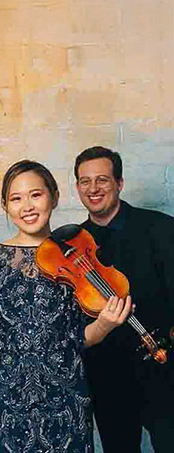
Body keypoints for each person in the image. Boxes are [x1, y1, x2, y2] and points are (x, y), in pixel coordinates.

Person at [0, 160, 130, 452]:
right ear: (5, 205)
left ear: (54, 197)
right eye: (16, 198)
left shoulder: (78, 258)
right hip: (10, 405)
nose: (27, 207)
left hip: (67, 402)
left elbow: (80, 338)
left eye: (36, 195)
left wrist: (105, 325)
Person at [74, 146, 174, 453]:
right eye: (85, 181)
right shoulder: (73, 247)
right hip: (107, 377)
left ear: (119, 183)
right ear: (77, 187)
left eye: (102, 179)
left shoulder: (161, 227)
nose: (93, 188)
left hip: (164, 368)